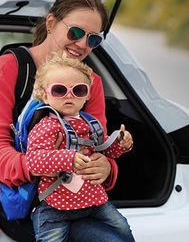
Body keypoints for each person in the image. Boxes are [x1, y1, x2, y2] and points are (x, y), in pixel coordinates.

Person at [0, 0, 121, 240]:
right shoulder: (7, 69)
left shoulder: (90, 82)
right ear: (51, 22)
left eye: (93, 39)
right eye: (76, 32)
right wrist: (46, 162)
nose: (83, 44)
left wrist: (107, 168)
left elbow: (97, 146)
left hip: (76, 196)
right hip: (20, 198)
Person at [26, 52, 135, 241]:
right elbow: (34, 161)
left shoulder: (90, 123)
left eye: (79, 90)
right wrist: (69, 159)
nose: (69, 95)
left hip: (93, 201)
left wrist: (120, 144)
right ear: (44, 94)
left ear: (87, 96)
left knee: (123, 230)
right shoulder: (47, 126)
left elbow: (103, 150)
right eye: (59, 90)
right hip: (55, 208)